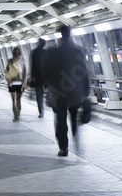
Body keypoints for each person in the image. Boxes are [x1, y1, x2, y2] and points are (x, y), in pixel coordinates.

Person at [42, 25, 89, 157]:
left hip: (57, 93)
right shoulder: (79, 51)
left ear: (59, 37)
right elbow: (84, 71)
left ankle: (63, 148)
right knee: (74, 117)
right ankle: (76, 139)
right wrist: (86, 90)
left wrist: (47, 86)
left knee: (60, 120)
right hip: (75, 92)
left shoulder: (51, 52)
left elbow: (45, 71)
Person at [5, 47, 27, 122]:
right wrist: (24, 83)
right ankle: (18, 113)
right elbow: (25, 73)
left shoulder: (10, 61)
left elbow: (7, 72)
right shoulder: (23, 61)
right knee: (19, 100)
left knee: (13, 100)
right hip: (20, 83)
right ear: (20, 52)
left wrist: (8, 82)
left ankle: (15, 115)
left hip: (12, 83)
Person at [30, 38, 47, 118]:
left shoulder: (34, 52)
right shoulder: (46, 52)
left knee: (39, 95)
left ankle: (41, 111)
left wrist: (32, 76)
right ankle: (47, 106)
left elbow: (33, 65)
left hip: (37, 77)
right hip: (45, 77)